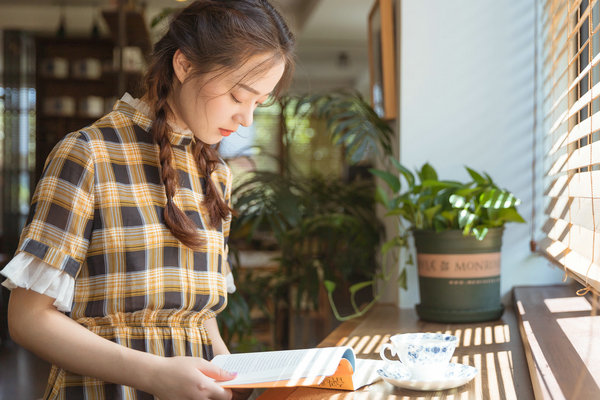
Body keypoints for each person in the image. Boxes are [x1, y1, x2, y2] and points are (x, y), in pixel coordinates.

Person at [0, 0, 294, 398]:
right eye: (238, 96)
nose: (247, 119)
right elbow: (27, 319)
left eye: (259, 103)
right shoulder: (89, 154)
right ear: (185, 65)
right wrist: (154, 375)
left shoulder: (216, 176)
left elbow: (199, 316)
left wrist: (229, 378)